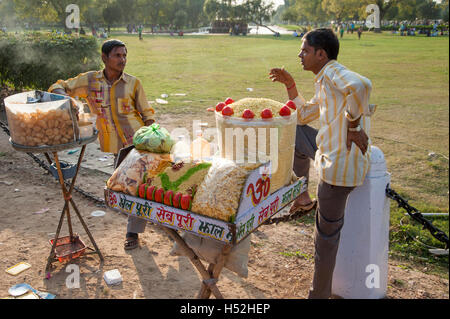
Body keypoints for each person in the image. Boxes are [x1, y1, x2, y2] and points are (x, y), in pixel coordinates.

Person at [269, 28, 374, 299]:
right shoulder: (324, 80)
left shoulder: (332, 72)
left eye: (305, 50)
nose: (300, 54)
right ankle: (302, 196)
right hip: (331, 151)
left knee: (324, 239)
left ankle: (318, 295)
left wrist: (353, 124)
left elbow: (362, 85)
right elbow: (303, 115)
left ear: (321, 54)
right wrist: (290, 85)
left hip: (338, 168)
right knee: (293, 129)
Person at [48, 39, 155, 251]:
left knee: (136, 185)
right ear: (104, 58)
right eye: (117, 55)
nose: (122, 60)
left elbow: (147, 113)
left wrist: (153, 135)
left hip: (137, 141)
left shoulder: (134, 83)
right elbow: (58, 86)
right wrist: (67, 100)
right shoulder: (90, 81)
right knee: (125, 187)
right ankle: (140, 223)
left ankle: (132, 232)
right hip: (115, 144)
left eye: (124, 55)